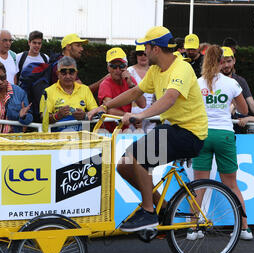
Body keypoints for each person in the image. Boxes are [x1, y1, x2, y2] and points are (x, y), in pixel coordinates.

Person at [88, 26, 208, 232]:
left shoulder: (182, 68)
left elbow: (170, 98)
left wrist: (141, 115)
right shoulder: (155, 70)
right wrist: (104, 106)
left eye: (145, 47)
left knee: (138, 156)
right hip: (171, 129)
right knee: (124, 165)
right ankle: (164, 208)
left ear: (155, 49)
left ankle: (149, 212)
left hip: (190, 133)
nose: (142, 51)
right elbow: (135, 91)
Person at [193, 45, 252, 240]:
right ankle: (244, 228)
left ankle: (194, 228)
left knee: (198, 184)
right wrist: (231, 105)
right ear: (221, 61)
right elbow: (244, 109)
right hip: (224, 134)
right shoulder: (231, 83)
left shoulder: (197, 82)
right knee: (232, 184)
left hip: (202, 134)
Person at [221, 46, 254, 129]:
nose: (226, 65)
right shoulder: (211, 81)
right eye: (222, 62)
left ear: (234, 61)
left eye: (229, 61)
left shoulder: (240, 81)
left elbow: (252, 104)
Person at [39, 56, 98, 132]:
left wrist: (85, 115)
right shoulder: (48, 92)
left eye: (71, 72)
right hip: (57, 139)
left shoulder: (85, 89)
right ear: (57, 73)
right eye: (63, 72)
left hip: (82, 139)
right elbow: (43, 118)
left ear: (76, 73)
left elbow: (96, 112)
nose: (68, 76)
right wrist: (57, 116)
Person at [98, 47, 146, 133]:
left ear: (126, 67)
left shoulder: (130, 80)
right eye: (113, 66)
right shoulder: (105, 84)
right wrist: (133, 117)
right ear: (108, 68)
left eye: (121, 66)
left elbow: (142, 104)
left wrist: (131, 84)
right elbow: (110, 110)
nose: (117, 70)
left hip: (124, 129)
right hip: (107, 131)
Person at [127, 45, 156, 132]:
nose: (143, 56)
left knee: (152, 142)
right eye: (140, 54)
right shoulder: (129, 71)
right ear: (136, 56)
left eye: (145, 54)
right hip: (134, 114)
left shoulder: (156, 71)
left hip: (152, 114)